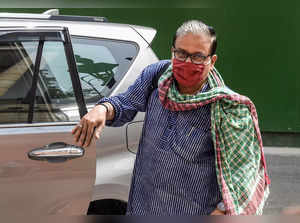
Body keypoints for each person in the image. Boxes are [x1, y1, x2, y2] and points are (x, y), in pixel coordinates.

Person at [72, 20, 270, 215]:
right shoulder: (156, 76)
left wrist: (221, 212)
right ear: (172, 51)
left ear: (212, 60)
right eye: (181, 54)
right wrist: (103, 109)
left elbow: (244, 178)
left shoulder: (227, 108)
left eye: (198, 57)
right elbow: (126, 103)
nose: (188, 63)